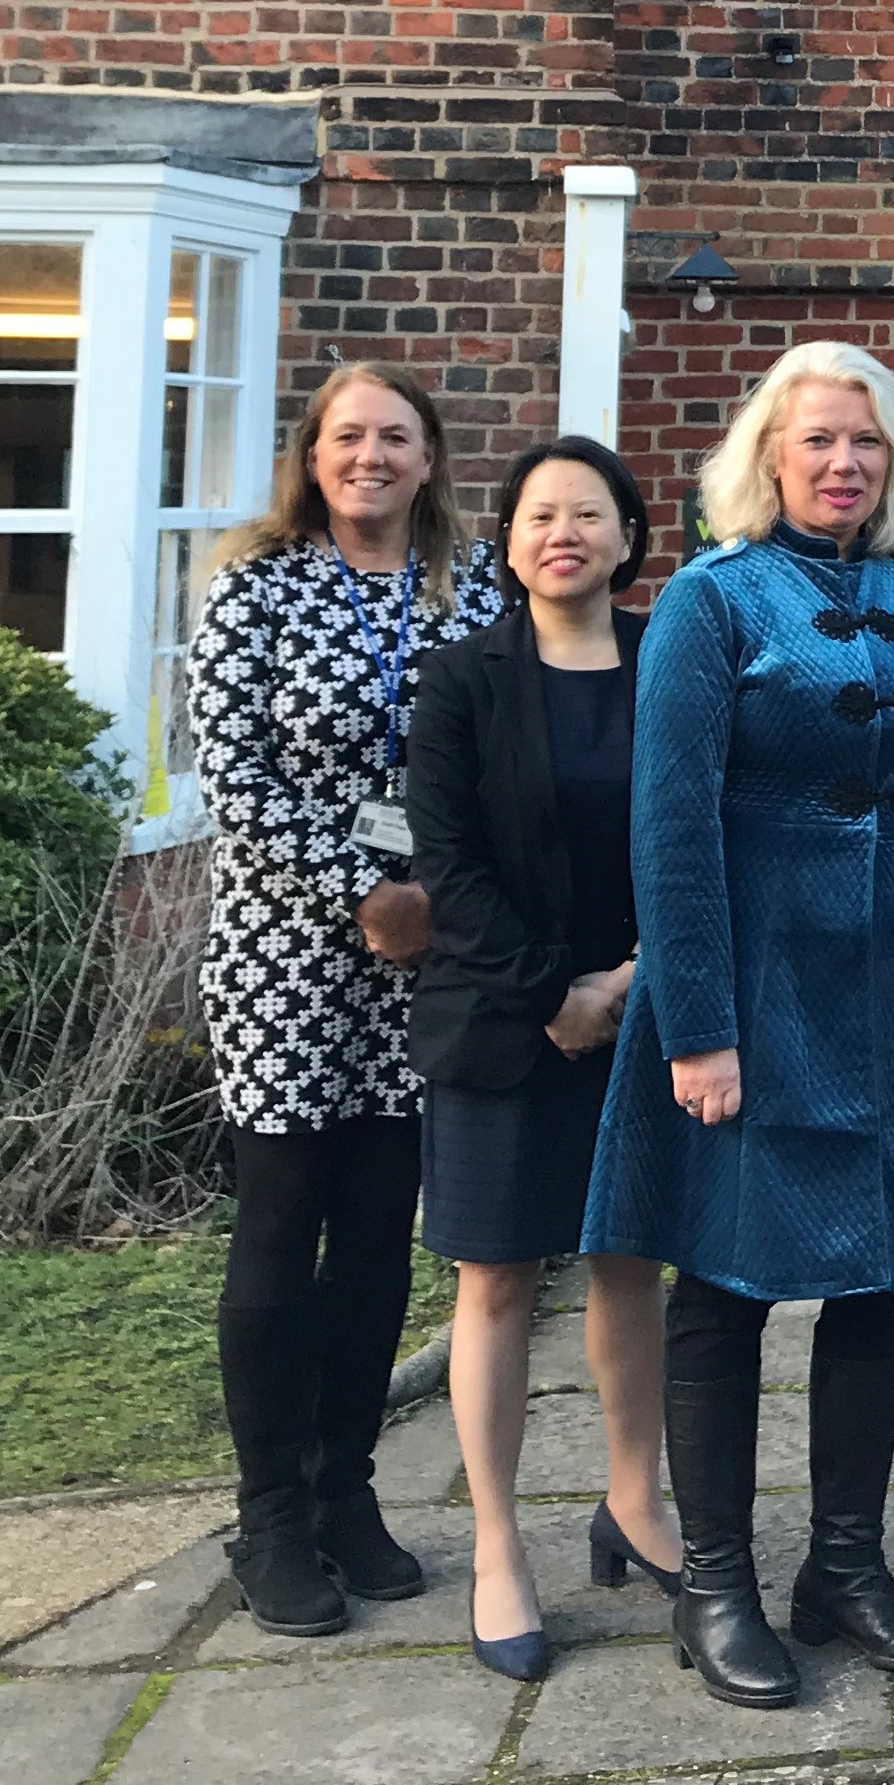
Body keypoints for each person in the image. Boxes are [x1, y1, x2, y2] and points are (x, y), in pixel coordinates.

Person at [582, 342, 894, 1709]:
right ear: (766, 457)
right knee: (731, 1281)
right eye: (816, 441)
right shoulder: (711, 602)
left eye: (866, 444)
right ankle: (714, 1584)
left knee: (889, 1274)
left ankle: (845, 1567)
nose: (841, 463)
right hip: (753, 998)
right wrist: (695, 1024)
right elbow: (673, 828)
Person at [187, 361, 503, 1636]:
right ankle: (270, 1516)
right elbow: (234, 775)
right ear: (312, 457)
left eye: (397, 437)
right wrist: (359, 893)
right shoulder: (251, 589)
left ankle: (350, 1494)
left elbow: (503, 744)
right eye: (347, 437)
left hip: (429, 954)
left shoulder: (471, 587)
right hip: (286, 957)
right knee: (280, 1226)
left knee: (379, 1231)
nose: (370, 456)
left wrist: (440, 896)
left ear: (430, 459)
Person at [407, 436, 680, 1682]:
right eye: (536, 516)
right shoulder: (461, 681)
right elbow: (448, 868)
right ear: (506, 544)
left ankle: (636, 1501)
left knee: (633, 1262)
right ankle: (498, 1547)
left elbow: (697, 836)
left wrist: (626, 984)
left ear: (629, 541)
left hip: (641, 1009)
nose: (560, 532)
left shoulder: (670, 672)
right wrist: (552, 995)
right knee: (499, 1281)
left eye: (588, 514)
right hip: (501, 1024)